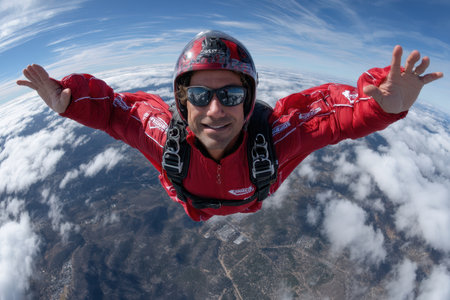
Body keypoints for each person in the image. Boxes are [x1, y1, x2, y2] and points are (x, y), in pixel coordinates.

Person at [17, 30, 443, 221]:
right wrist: (70, 103)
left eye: (232, 95)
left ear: (250, 101)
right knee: (195, 207)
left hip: (254, 194)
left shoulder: (275, 139)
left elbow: (333, 118)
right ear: (182, 103)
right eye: (200, 96)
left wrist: (382, 106)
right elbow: (114, 112)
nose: (216, 110)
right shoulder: (165, 140)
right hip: (195, 202)